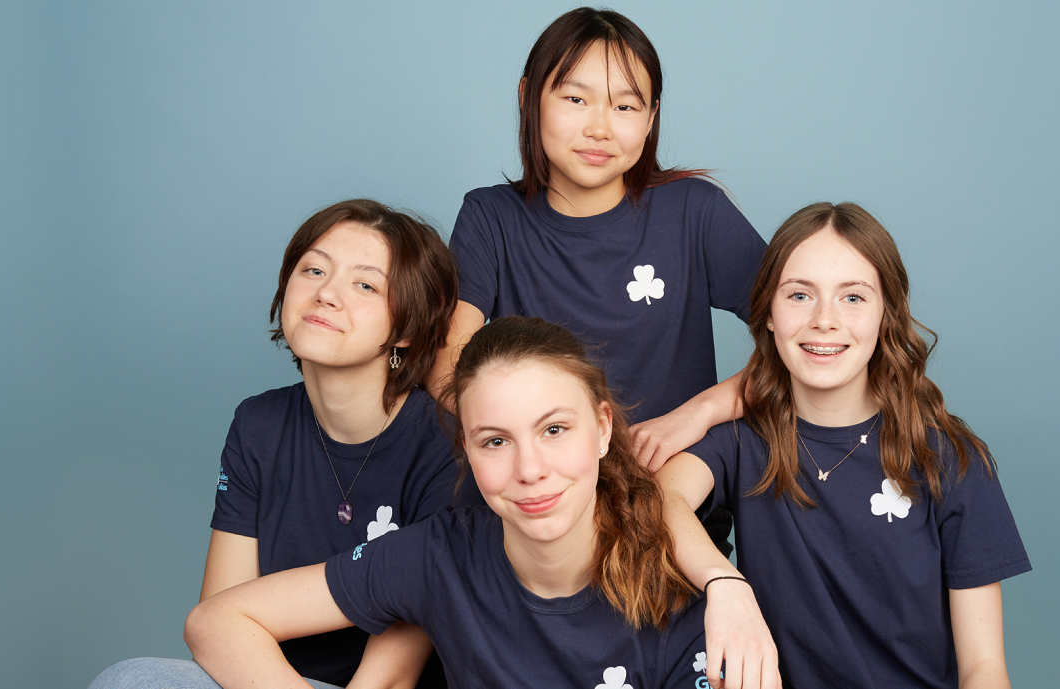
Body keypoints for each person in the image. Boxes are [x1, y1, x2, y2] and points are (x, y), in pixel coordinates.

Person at [184, 316, 711, 689]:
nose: (529, 470)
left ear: (601, 429)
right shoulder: (441, 552)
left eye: (554, 429)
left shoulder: (679, 594)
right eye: (495, 441)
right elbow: (216, 620)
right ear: (467, 450)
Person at [90, 199, 475, 689]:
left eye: (365, 284)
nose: (326, 294)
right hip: (269, 680)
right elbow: (216, 622)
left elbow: (392, 677)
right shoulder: (259, 424)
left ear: (406, 328)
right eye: (313, 269)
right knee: (131, 681)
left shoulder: (446, 445)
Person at [657, 203, 1032, 689]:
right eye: (799, 296)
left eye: (853, 298)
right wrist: (725, 583)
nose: (824, 321)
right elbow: (662, 497)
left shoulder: (948, 458)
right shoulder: (740, 442)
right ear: (769, 314)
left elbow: (984, 668)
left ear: (885, 315)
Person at [433, 7, 768, 474]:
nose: (600, 128)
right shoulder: (490, 217)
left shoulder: (694, 211)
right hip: (542, 486)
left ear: (651, 118)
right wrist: (551, 446)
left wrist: (700, 413)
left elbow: (804, 339)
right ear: (529, 96)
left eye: (625, 106)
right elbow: (449, 363)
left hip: (671, 484)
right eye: (575, 99)